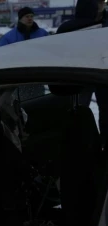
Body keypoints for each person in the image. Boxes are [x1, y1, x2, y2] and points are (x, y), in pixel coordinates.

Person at [56, 0, 108, 148]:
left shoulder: (105, 23)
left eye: (102, 2)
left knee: (106, 113)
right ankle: (78, 144)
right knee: (77, 111)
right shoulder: (70, 27)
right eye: (97, 2)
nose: (101, 5)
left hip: (103, 76)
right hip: (80, 75)